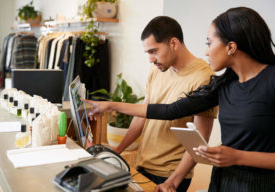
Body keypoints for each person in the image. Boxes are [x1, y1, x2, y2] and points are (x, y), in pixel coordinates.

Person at [84, 7, 275, 192]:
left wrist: (238, 157)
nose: (206, 51)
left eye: (209, 43)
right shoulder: (225, 84)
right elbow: (170, 110)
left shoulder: (271, 80)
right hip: (223, 182)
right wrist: (110, 106)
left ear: (231, 47)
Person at [92, 16, 218, 192]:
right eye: (148, 53)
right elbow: (142, 116)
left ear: (173, 43)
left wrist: (173, 181)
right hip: (143, 165)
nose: (151, 59)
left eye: (154, 51)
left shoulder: (203, 77)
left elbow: (198, 142)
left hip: (169, 175)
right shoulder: (158, 69)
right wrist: (117, 150)